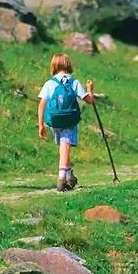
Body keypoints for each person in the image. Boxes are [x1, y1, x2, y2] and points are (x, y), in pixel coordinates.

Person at [37, 53, 94, 192]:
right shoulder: (74, 82)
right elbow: (89, 100)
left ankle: (69, 176)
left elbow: (42, 104)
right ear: (68, 65)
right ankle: (61, 177)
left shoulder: (50, 83)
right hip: (70, 119)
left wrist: (41, 125)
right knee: (65, 145)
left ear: (53, 66)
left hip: (55, 120)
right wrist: (90, 90)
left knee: (64, 146)